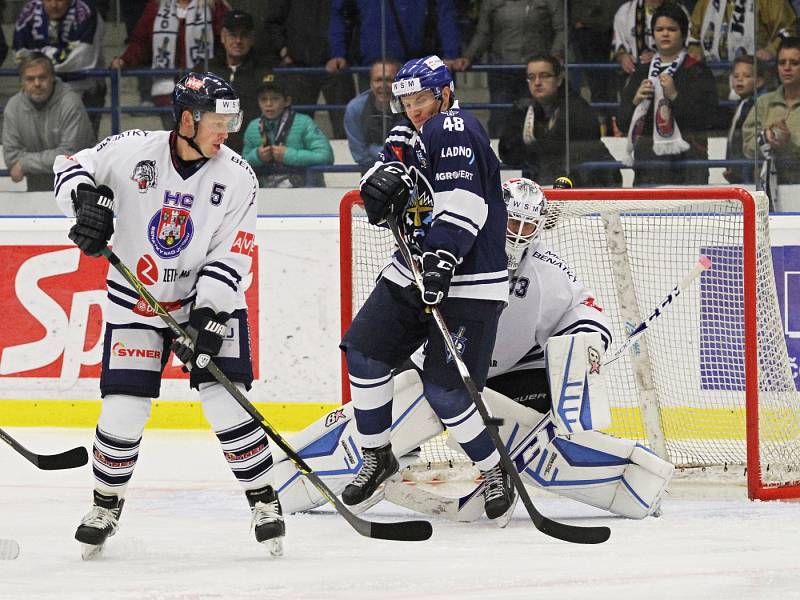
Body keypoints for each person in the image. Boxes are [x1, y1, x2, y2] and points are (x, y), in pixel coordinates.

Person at [270, 177, 674, 523]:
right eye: (510, 221)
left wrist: (589, 342)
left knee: (527, 437)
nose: (516, 233)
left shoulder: (547, 271)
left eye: (526, 226)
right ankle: (378, 459)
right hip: (452, 368)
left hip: (518, 377)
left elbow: (583, 310)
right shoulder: (454, 250)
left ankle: (609, 475)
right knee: (416, 397)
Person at [52, 72, 285, 559]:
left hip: (208, 304)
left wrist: (208, 317)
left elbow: (232, 255)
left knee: (228, 403)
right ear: (186, 118)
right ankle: (105, 504)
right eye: (217, 121)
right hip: (136, 302)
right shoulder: (134, 149)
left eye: (229, 121)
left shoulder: (238, 175)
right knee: (123, 410)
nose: (227, 131)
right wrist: (84, 205)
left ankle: (264, 500)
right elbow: (70, 166)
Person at [338, 55, 515, 522]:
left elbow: (464, 201)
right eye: (406, 101)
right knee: (365, 353)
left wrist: (440, 259)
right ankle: (377, 456)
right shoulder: (408, 132)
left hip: (469, 279)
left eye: (422, 99)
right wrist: (378, 190)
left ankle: (496, 469)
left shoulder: (454, 127)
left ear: (445, 94)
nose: (414, 109)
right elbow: (385, 173)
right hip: (413, 271)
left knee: (447, 393)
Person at [619, 2, 718, 186]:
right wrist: (635, 100)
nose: (665, 34)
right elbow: (623, 121)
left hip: (688, 163)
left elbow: (708, 119)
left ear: (683, 33)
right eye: (659, 29)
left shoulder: (698, 71)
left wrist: (674, 96)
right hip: (649, 164)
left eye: (671, 29)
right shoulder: (642, 72)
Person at [499, 54, 622, 188]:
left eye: (545, 75)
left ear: (559, 80)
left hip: (579, 188)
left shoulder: (577, 109)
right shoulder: (521, 109)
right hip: (539, 187)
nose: (537, 82)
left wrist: (532, 149)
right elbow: (507, 153)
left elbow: (569, 149)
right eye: (531, 77)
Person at [110, 0, 229, 130]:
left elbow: (226, 42)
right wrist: (124, 60)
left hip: (204, 93)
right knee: (175, 142)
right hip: (167, 94)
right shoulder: (156, 7)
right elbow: (141, 42)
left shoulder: (214, 6)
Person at [456, 0, 566, 137]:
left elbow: (562, 29)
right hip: (501, 71)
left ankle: (539, 154)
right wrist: (468, 57)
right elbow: (483, 33)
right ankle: (499, 154)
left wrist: (553, 58)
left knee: (535, 119)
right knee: (500, 118)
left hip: (535, 73)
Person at [262, 0, 356, 139]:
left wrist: (343, 54)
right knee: (295, 130)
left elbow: (353, 17)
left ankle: (350, 159)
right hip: (299, 66)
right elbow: (272, 21)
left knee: (346, 127)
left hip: (335, 66)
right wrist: (283, 50)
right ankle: (294, 159)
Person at [12, 0, 106, 137]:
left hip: (83, 89)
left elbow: (82, 57)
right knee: (42, 141)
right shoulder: (29, 11)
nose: (54, 5)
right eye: (49, 0)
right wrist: (55, 56)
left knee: (81, 145)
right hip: (41, 92)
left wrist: (39, 58)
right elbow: (19, 54)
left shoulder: (85, 11)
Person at [3, 52, 94, 192]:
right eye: (30, 79)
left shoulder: (71, 103)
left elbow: (70, 155)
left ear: (52, 77)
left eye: (42, 77)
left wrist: (25, 163)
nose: (37, 83)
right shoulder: (13, 106)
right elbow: (11, 157)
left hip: (77, 187)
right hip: (36, 189)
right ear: (22, 82)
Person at [326, 1, 462, 83]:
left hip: (417, 64)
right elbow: (340, 13)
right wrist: (338, 53)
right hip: (373, 64)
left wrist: (450, 54)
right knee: (377, 122)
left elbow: (445, 14)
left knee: (419, 123)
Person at [198, 9, 274, 154]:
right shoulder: (204, 69)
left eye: (244, 36)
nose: (238, 41)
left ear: (252, 38)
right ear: (223, 37)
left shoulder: (264, 71)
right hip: (210, 151)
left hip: (250, 154)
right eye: (233, 35)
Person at [242, 74, 334, 187]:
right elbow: (243, 162)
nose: (268, 104)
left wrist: (289, 155)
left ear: (287, 101)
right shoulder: (253, 126)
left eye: (275, 98)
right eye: (263, 99)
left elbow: (326, 156)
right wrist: (257, 156)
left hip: (305, 192)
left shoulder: (304, 122)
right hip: (266, 195)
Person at [743, 36, 800, 212]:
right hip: (768, 191)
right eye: (782, 62)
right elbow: (747, 145)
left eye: (794, 62)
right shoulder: (763, 103)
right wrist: (765, 139)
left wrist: (788, 142)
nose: (787, 68)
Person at [343, 58, 404, 173]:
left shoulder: (409, 107)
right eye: (378, 80)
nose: (384, 85)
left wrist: (373, 149)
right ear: (370, 83)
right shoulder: (355, 109)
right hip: (371, 173)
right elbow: (360, 156)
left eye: (389, 80)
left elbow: (412, 151)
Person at [687, 0, 797, 63]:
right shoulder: (705, 2)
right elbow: (694, 36)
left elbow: (790, 30)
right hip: (713, 79)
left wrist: (771, 51)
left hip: (757, 77)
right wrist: (696, 52)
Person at [723, 54, 765, 184]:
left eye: (747, 76)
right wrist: (730, 166)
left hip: (750, 171)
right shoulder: (740, 104)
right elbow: (733, 139)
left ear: (759, 81)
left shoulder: (757, 106)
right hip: (737, 169)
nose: (740, 80)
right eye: (736, 76)